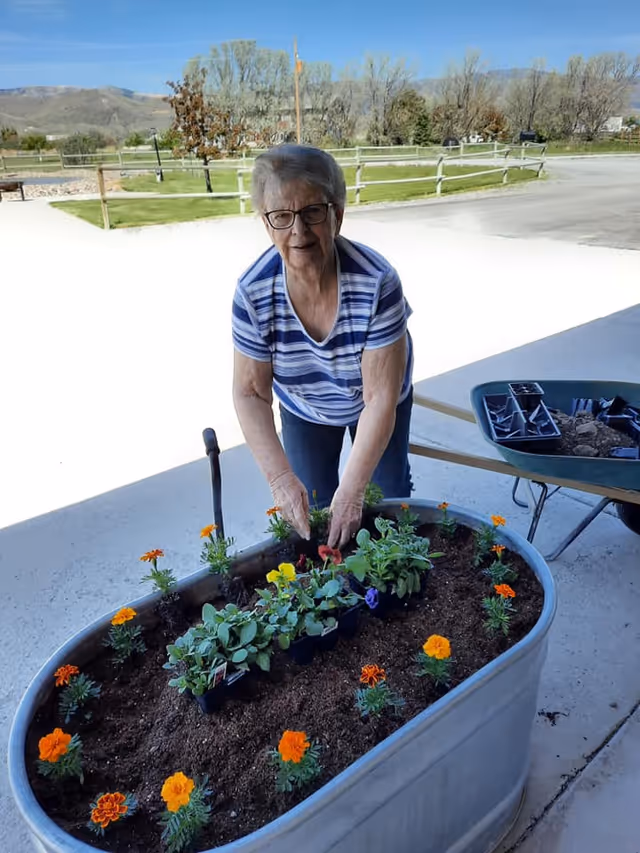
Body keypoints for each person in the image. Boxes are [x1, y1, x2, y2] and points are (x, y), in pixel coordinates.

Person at [232, 144, 413, 548]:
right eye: (281, 216)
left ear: (338, 215)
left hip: (377, 400)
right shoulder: (253, 292)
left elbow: (379, 397)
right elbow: (249, 393)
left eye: (313, 211)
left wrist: (352, 491)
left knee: (385, 498)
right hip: (305, 406)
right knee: (312, 508)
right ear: (266, 223)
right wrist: (280, 480)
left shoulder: (377, 282)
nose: (298, 231)